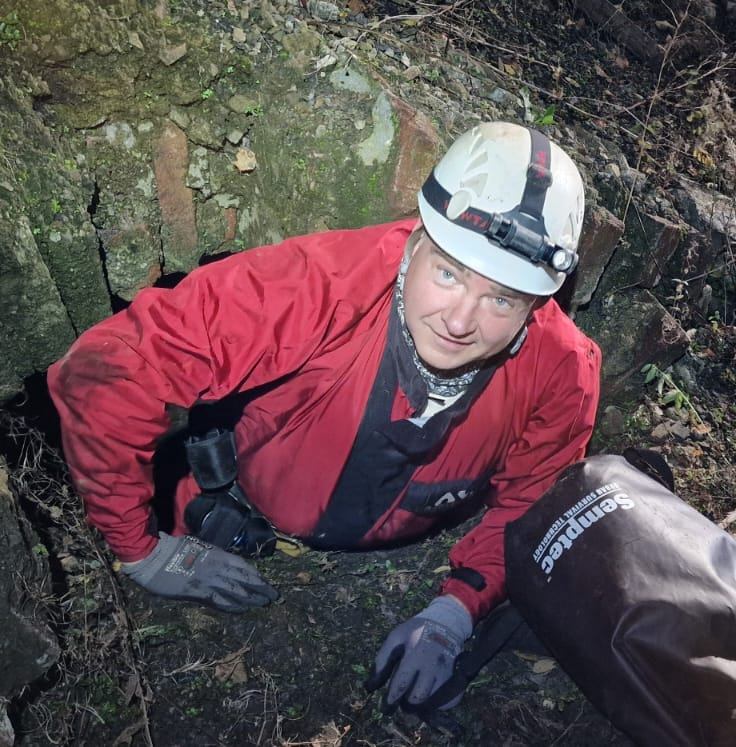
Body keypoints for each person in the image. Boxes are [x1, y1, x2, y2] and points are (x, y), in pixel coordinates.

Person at [48, 121, 601, 713]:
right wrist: (141, 550)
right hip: (249, 485)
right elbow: (107, 373)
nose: (461, 321)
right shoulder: (320, 286)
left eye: (500, 299)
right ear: (414, 243)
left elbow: (530, 504)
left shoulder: (561, 370)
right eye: (448, 273)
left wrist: (456, 609)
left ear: (535, 305)